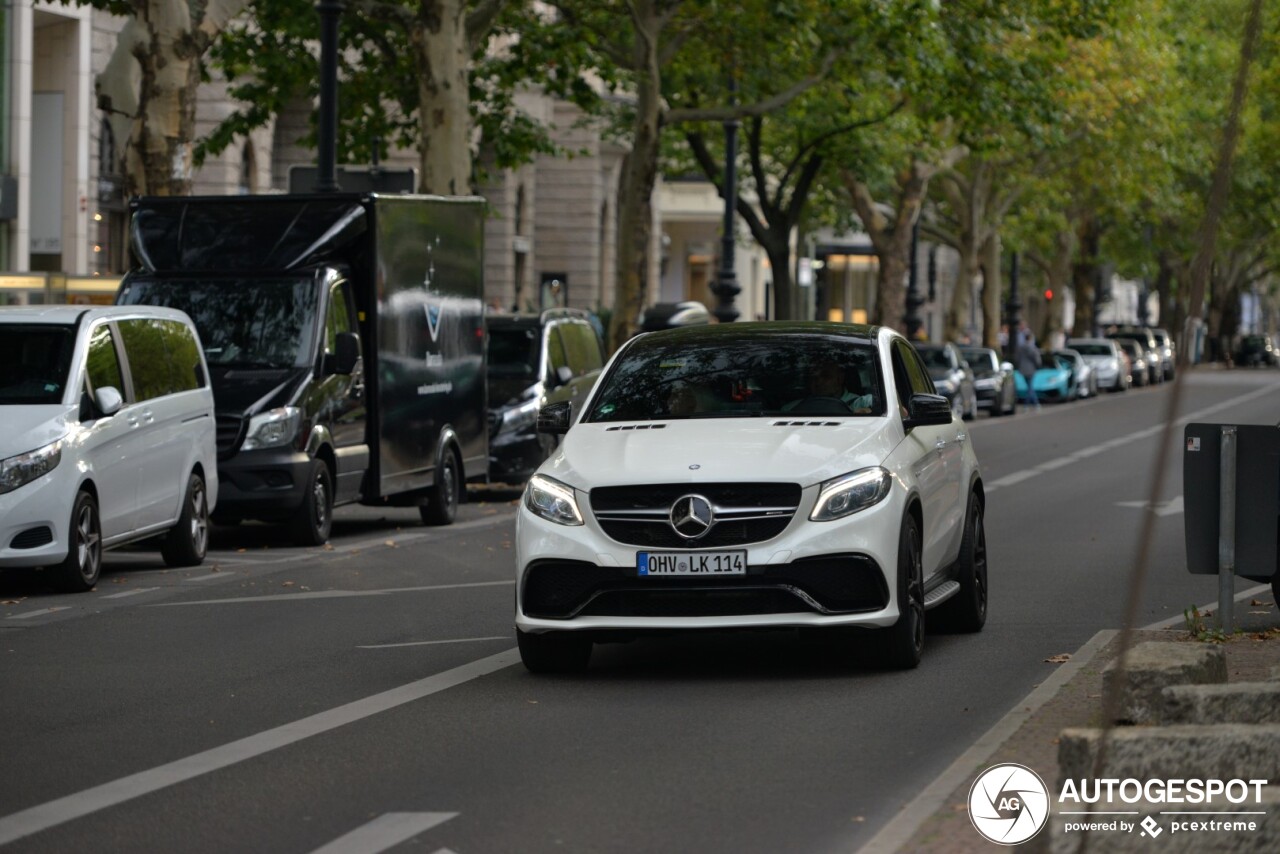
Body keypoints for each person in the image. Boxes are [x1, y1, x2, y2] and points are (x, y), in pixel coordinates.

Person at [783, 360, 874, 414]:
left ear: (840, 379)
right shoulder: (790, 409)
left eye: (826, 376)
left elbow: (881, 404)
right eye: (814, 377)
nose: (819, 382)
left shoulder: (862, 403)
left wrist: (872, 410)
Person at [1014, 328, 1042, 409]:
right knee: (1030, 387)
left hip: (1023, 369)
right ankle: (1030, 404)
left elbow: (1017, 359)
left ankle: (1033, 403)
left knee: (1029, 386)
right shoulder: (1033, 348)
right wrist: (1038, 366)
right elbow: (1037, 359)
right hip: (1031, 369)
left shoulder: (1020, 348)